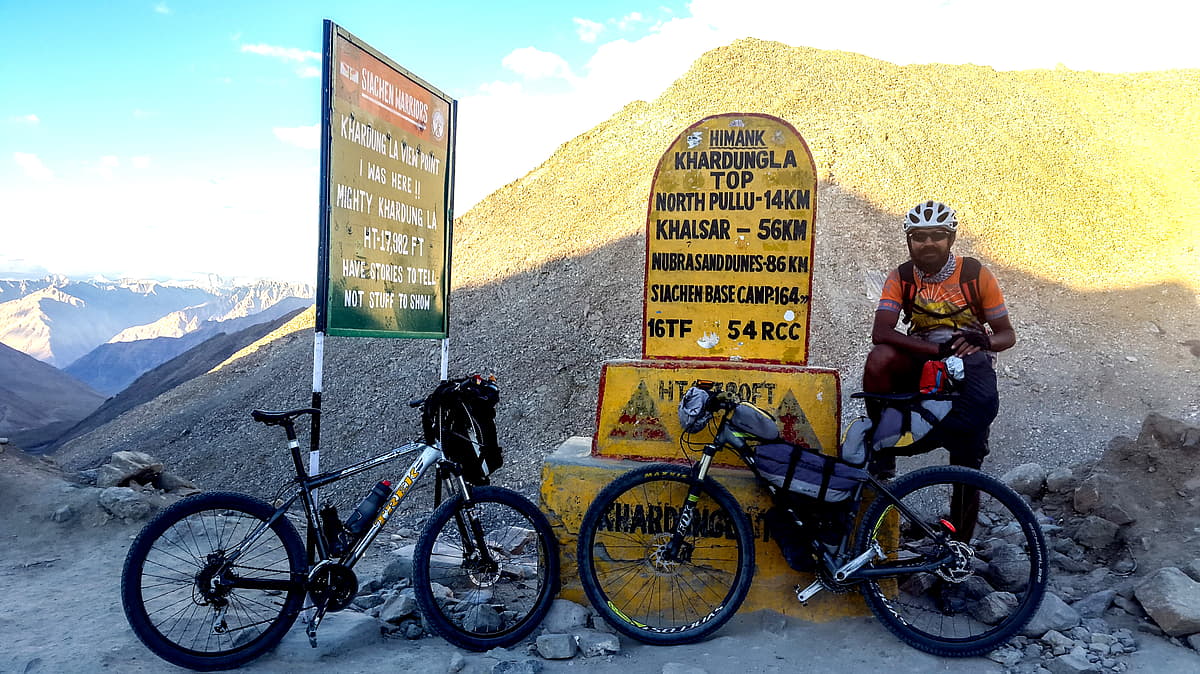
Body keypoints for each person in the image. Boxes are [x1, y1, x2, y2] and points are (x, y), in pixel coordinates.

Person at [863, 200, 1016, 480]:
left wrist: (983, 341)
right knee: (879, 357)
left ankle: (960, 522)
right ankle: (881, 444)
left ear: (952, 238)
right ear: (909, 241)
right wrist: (937, 350)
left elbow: (1007, 335)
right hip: (920, 362)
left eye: (937, 235)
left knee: (967, 462)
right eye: (919, 237)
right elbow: (881, 332)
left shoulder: (975, 274)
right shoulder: (902, 277)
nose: (928, 242)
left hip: (966, 367)